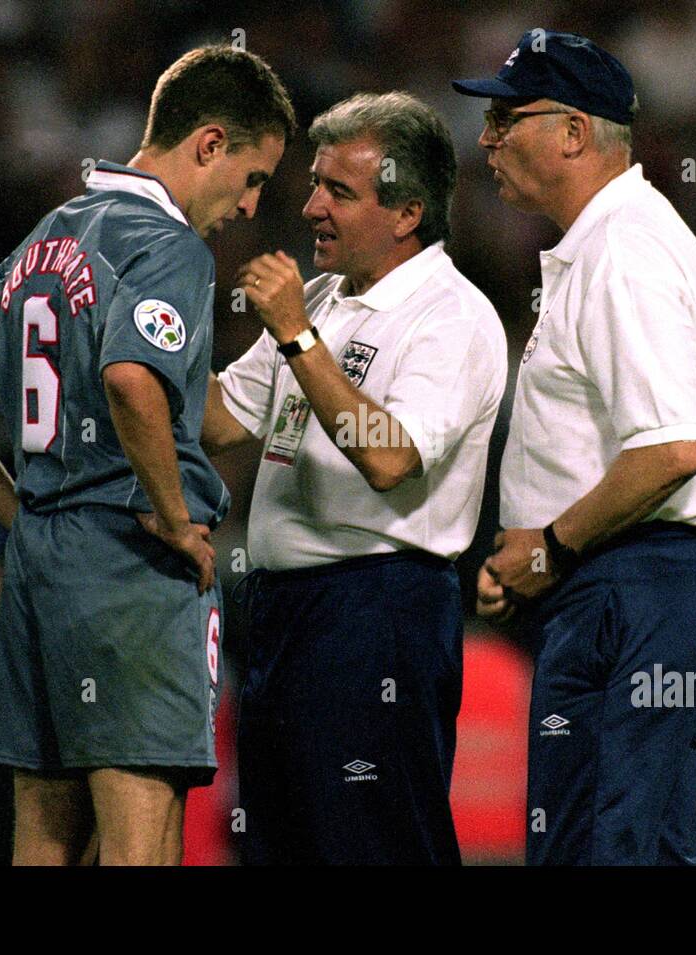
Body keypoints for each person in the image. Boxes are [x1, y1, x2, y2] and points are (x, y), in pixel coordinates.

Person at [0, 46, 295, 865]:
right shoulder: (170, 245)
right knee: (140, 842)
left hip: (40, 568)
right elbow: (131, 378)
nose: (253, 206)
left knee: (43, 843)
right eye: (255, 176)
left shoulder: (50, 236)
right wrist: (175, 513)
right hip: (130, 568)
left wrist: (20, 511)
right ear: (210, 143)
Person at [453, 29, 696, 865]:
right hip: (614, 578)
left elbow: (670, 450)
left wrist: (549, 545)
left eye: (506, 118)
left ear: (575, 133)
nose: (486, 139)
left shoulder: (626, 252)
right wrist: (543, 559)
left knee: (622, 851)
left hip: (642, 579)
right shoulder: (605, 247)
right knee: (592, 846)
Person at [202, 92, 507, 864]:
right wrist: (136, 336)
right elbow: (220, 421)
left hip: (377, 613)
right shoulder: (323, 301)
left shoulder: (452, 316)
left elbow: (390, 455)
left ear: (406, 213)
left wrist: (299, 338)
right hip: (279, 613)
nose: (309, 208)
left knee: (371, 845)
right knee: (281, 846)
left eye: (338, 190)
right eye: (315, 183)